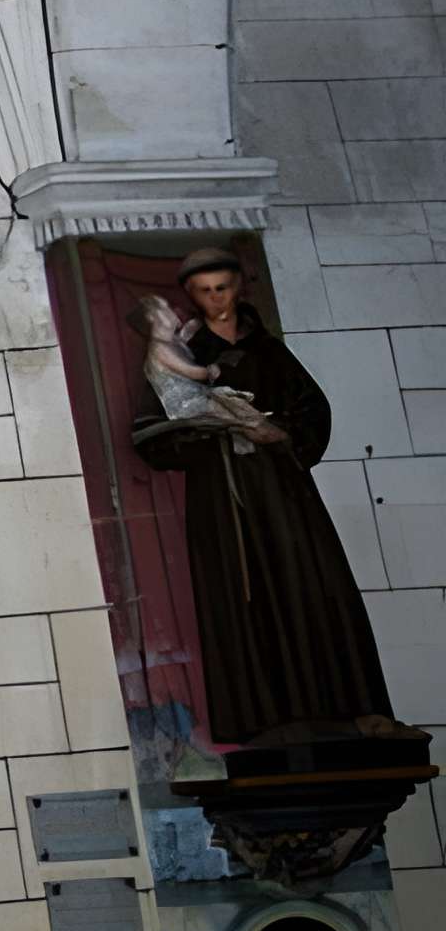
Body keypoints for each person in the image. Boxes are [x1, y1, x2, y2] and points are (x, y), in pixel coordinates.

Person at [133, 248, 397, 745]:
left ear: (239, 287)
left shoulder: (270, 352)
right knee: (242, 597)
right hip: (224, 501)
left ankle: (341, 706)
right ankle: (266, 719)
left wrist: (278, 434)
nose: (216, 298)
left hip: (285, 494)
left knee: (312, 584)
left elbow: (313, 412)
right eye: (205, 290)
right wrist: (212, 428)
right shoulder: (185, 354)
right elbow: (149, 434)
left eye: (224, 286)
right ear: (192, 295)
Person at [129, 292, 278, 440]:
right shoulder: (159, 349)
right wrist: (208, 371)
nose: (172, 311)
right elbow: (192, 372)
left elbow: (189, 340)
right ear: (152, 318)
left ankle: (263, 430)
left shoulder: (174, 342)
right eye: (165, 308)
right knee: (231, 412)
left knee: (235, 403)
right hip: (187, 404)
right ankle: (262, 433)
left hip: (202, 394)